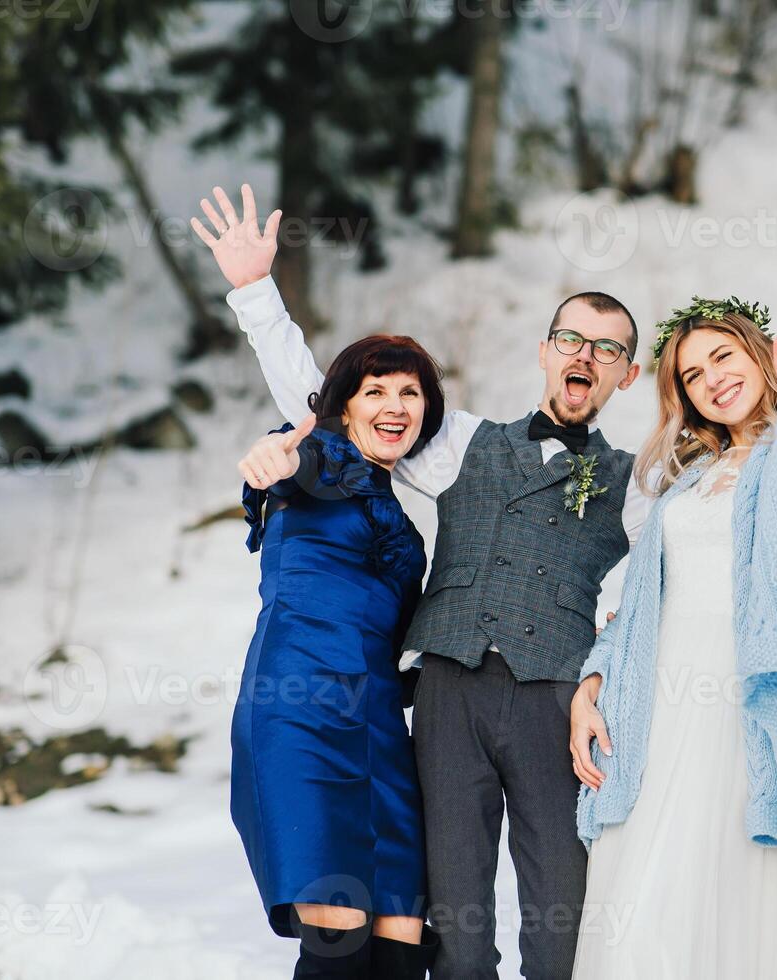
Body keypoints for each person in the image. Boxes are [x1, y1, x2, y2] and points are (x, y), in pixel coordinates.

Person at [195, 183, 650, 978]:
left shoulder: (634, 482)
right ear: (544, 351)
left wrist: (608, 661)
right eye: (571, 338)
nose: (584, 355)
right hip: (444, 695)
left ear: (629, 373)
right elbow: (329, 409)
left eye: (606, 347)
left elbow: (678, 565)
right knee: (452, 922)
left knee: (559, 915)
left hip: (551, 697)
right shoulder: (462, 443)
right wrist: (255, 296)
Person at [568, 297, 777, 979]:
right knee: (640, 903)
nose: (713, 379)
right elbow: (640, 604)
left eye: (722, 356)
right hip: (654, 708)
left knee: (728, 893)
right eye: (693, 375)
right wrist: (592, 683)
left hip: (741, 700)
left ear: (757, 355)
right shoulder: (684, 482)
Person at [231, 333, 446, 979]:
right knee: (339, 936)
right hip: (301, 713)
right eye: (374, 390)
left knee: (402, 934)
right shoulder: (318, 461)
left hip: (381, 728)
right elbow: (281, 463)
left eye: (410, 392)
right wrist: (272, 459)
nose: (395, 404)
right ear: (343, 408)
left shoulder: (405, 529)